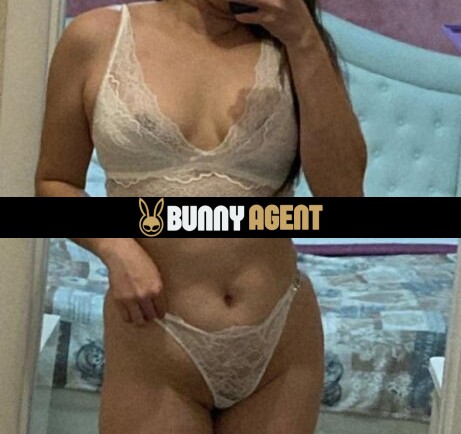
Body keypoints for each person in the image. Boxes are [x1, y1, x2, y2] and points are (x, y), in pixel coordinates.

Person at [35, 0, 367, 432]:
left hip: (281, 346)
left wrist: (304, 40)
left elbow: (344, 193)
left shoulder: (294, 45)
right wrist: (114, 248)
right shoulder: (97, 37)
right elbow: (55, 182)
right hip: (155, 341)